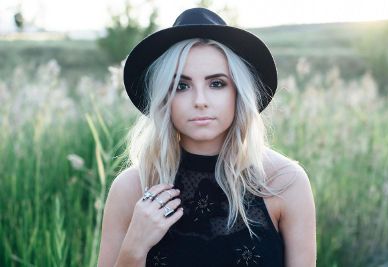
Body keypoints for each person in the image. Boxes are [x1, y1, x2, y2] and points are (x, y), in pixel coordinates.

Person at [97, 7, 316, 267]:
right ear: (164, 98)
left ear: (238, 92)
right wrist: (133, 249)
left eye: (217, 84)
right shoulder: (132, 187)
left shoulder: (284, 181)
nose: (200, 101)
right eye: (181, 85)